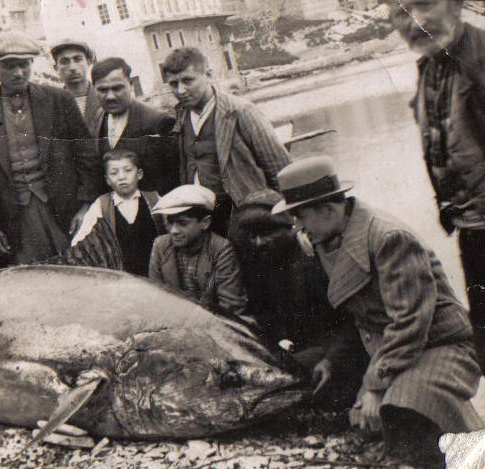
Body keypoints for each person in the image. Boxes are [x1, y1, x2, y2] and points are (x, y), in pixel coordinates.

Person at [272, 156, 482, 467]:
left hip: (441, 343)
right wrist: (333, 361)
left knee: (403, 403)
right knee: (353, 409)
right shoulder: (327, 238)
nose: (297, 227)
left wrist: (374, 385)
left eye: (299, 217)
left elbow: (410, 322)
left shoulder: (387, 238)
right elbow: (358, 319)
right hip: (394, 349)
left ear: (327, 210)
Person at [391, 0, 485, 372]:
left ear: (457, 5)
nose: (415, 21)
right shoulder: (431, 66)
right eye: (402, 11)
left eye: (426, 3)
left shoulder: (479, 61)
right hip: (473, 227)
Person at [0, 31, 101, 265]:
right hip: (13, 219)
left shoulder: (58, 100)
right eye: (9, 66)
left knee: (80, 272)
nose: (18, 73)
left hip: (64, 210)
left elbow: (85, 154)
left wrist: (85, 206)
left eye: (24, 64)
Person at [228, 189, 366, 407]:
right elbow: (264, 315)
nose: (259, 242)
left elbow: (353, 322)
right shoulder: (258, 265)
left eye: (267, 233)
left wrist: (331, 360)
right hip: (296, 348)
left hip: (333, 349)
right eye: (253, 236)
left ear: (290, 227)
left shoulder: (317, 261)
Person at [163, 47, 291, 236]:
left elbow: (280, 169)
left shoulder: (240, 111)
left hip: (249, 216)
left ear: (208, 74)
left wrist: (294, 218)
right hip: (206, 223)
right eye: (174, 84)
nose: (180, 90)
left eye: (188, 80)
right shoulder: (181, 116)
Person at [149, 184, 248, 322]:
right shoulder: (161, 245)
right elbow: (156, 298)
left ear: (205, 223)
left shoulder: (221, 249)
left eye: (182, 223)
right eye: (170, 223)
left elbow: (230, 308)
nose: (173, 230)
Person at [91, 57, 179, 196]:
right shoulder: (98, 117)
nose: (110, 96)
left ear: (131, 84)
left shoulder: (159, 122)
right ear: (94, 89)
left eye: (117, 88)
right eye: (102, 90)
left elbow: (173, 180)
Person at [71, 149, 164, 276]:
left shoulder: (154, 199)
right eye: (114, 173)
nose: (121, 177)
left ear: (139, 174)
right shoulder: (102, 204)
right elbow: (80, 242)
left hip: (154, 274)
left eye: (128, 170)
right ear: (107, 180)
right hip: (119, 277)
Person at [50, 39, 102, 136]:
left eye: (77, 59)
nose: (72, 67)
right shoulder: (51, 105)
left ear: (88, 62)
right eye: (65, 61)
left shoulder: (104, 98)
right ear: (56, 68)